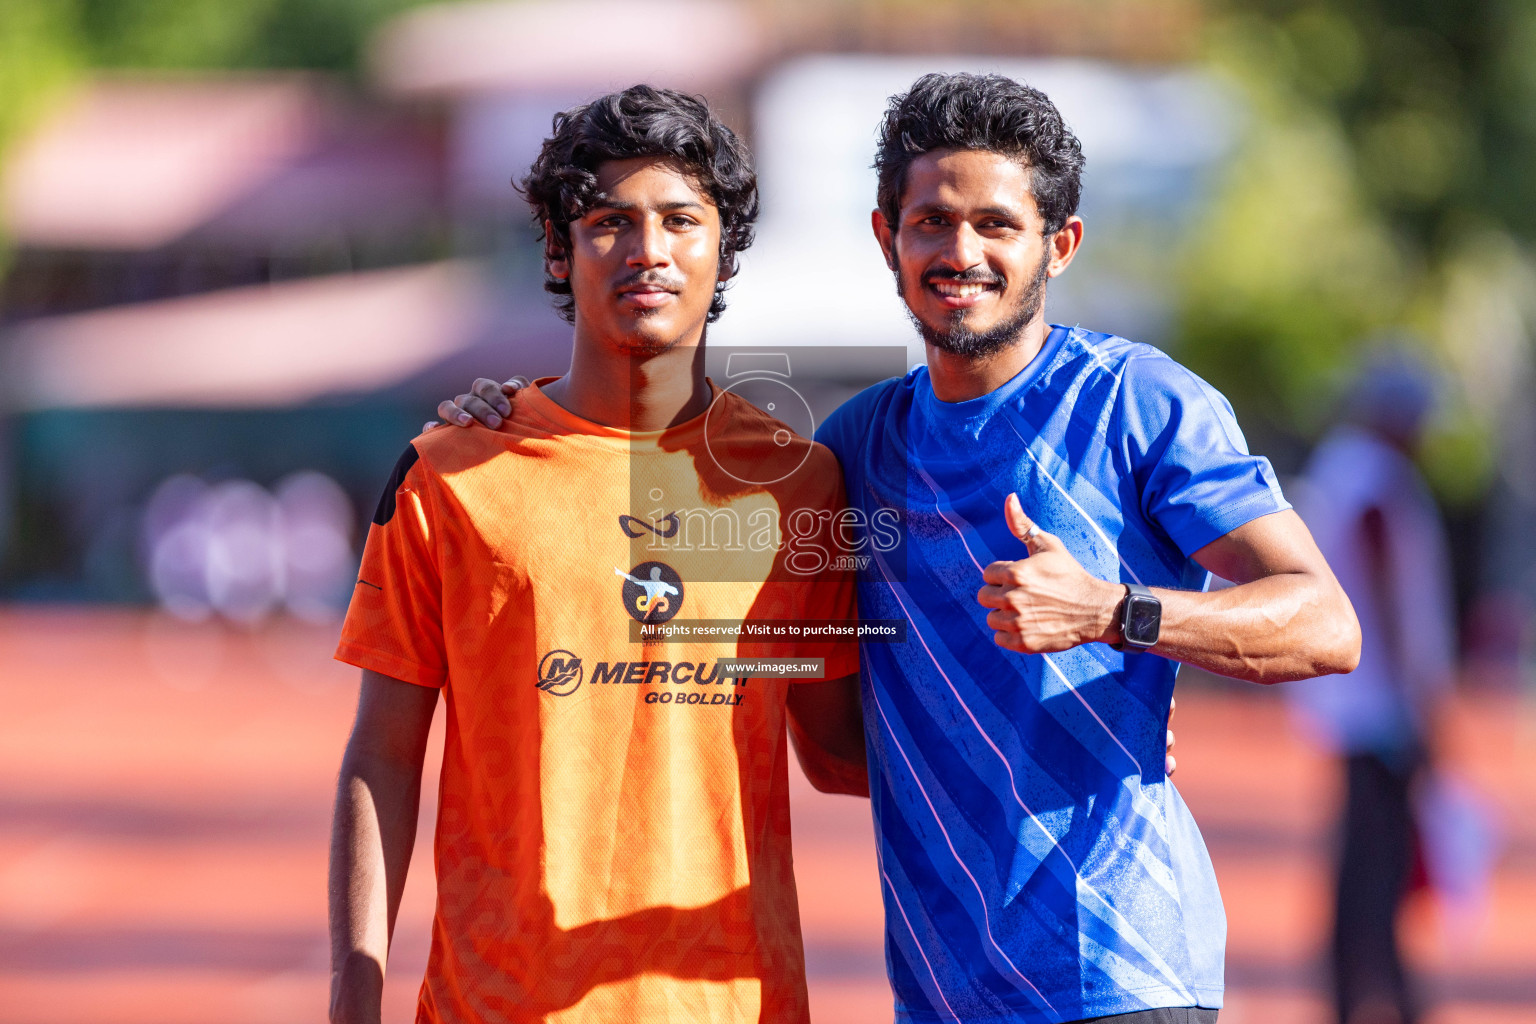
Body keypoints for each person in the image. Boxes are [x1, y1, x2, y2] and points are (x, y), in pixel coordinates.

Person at [441, 73, 1359, 1024]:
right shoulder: (852, 450)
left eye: (997, 225)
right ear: (889, 238)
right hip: (940, 993)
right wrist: (508, 419)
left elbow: (1327, 623)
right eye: (932, 223)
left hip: (1118, 976)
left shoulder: (1140, 403)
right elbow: (837, 755)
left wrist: (1114, 614)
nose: (961, 253)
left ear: (1061, 244)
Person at [327, 86, 871, 1024]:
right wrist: (354, 990)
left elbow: (843, 752)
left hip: (733, 1003)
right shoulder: (450, 474)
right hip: (497, 1003)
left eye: (681, 220)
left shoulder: (801, 487)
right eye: (610, 220)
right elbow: (383, 751)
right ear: (557, 246)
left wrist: (1063, 700)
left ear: (724, 249)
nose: (648, 250)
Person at [1289, 351, 1455, 1024]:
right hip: (1380, 704)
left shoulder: (1341, 467)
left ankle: (1366, 985)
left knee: (1367, 857)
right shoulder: (1379, 478)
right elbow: (1388, 593)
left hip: (1352, 699)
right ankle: (1376, 990)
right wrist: (1418, 700)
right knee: (1378, 863)